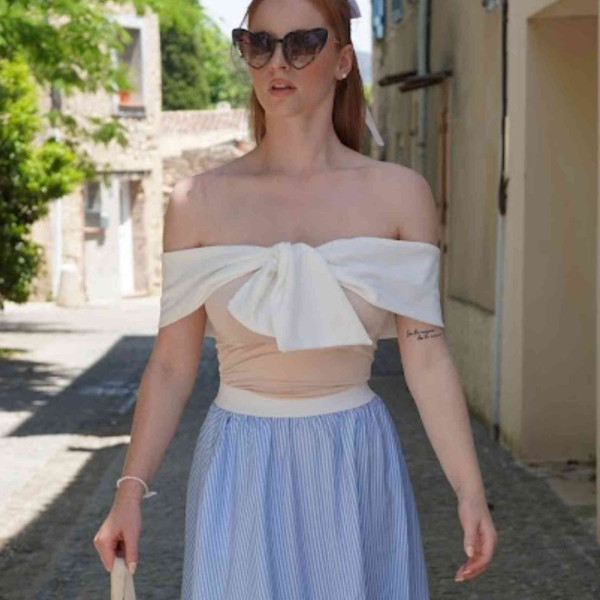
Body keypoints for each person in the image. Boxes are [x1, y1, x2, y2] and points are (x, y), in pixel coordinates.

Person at [93, 0, 498, 597]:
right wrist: (128, 493)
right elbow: (172, 366)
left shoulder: (400, 195)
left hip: (355, 461)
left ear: (343, 61)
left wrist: (470, 490)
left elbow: (427, 356)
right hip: (238, 465)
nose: (277, 62)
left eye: (301, 43)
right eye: (258, 44)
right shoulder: (196, 202)